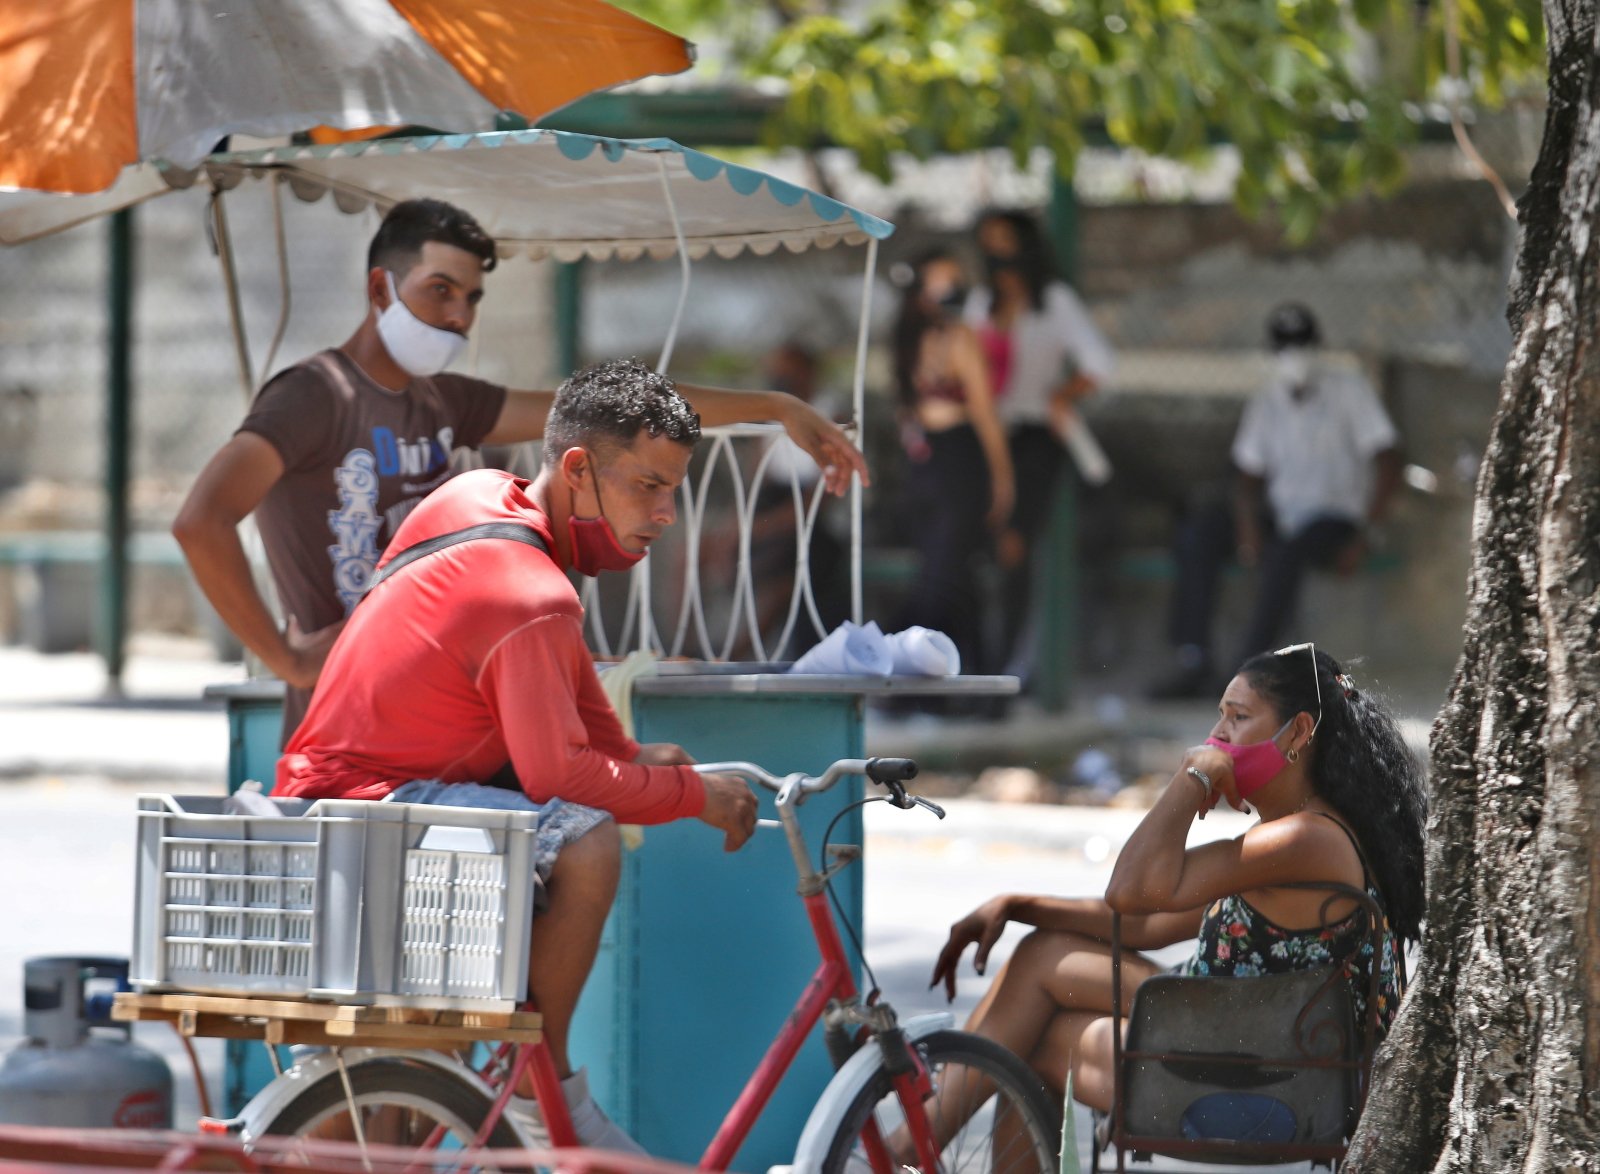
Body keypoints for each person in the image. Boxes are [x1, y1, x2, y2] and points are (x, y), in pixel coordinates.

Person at [275, 358, 761, 1151]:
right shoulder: (530, 592)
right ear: (577, 469)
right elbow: (556, 775)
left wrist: (639, 756)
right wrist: (694, 799)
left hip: (335, 795)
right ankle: (544, 1078)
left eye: (675, 489)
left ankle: (510, 1081)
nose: (667, 513)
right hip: (372, 801)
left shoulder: (477, 499)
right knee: (587, 840)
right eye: (648, 485)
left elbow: (565, 698)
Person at [172, 198, 869, 741]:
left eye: (471, 299)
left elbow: (617, 409)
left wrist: (774, 407)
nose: (458, 316)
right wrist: (288, 659)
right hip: (349, 720)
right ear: (380, 289)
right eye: (439, 291)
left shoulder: (446, 399)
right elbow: (200, 522)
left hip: (445, 704)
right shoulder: (316, 395)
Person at [929, 643, 1424, 1124]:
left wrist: (1192, 779)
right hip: (1247, 1054)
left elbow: (1130, 889)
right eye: (1220, 716)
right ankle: (914, 1144)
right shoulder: (1293, 838)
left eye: (1238, 717)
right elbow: (1146, 921)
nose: (1216, 737)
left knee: (1027, 1040)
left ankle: (911, 1147)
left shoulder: (1306, 839)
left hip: (1268, 1090)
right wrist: (1021, 905)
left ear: (1297, 733)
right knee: (1040, 955)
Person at [1150, 303, 1402, 699]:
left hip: (1335, 520)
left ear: (1317, 346)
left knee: (1286, 552)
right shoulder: (1267, 401)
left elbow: (1388, 462)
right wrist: (1247, 527)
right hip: (1283, 516)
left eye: (1302, 344)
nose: (1295, 356)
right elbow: (1247, 477)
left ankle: (1250, 672)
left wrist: (1366, 535)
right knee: (1201, 531)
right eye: (1285, 346)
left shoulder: (1350, 390)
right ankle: (1193, 657)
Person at [965, 209, 1116, 683]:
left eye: (1005, 244)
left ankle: (1004, 669)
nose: (997, 257)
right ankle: (973, 664)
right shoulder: (979, 304)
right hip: (985, 436)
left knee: (1014, 547)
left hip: (1033, 437)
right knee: (976, 545)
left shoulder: (1053, 301)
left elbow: (1099, 362)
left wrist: (1062, 394)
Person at [891, 251, 1015, 678]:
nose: (952, 289)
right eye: (943, 280)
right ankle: (967, 678)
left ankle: (915, 669)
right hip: (926, 461)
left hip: (960, 461)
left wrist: (1002, 479)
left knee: (945, 574)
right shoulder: (907, 340)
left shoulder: (960, 338)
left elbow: (984, 410)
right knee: (946, 572)